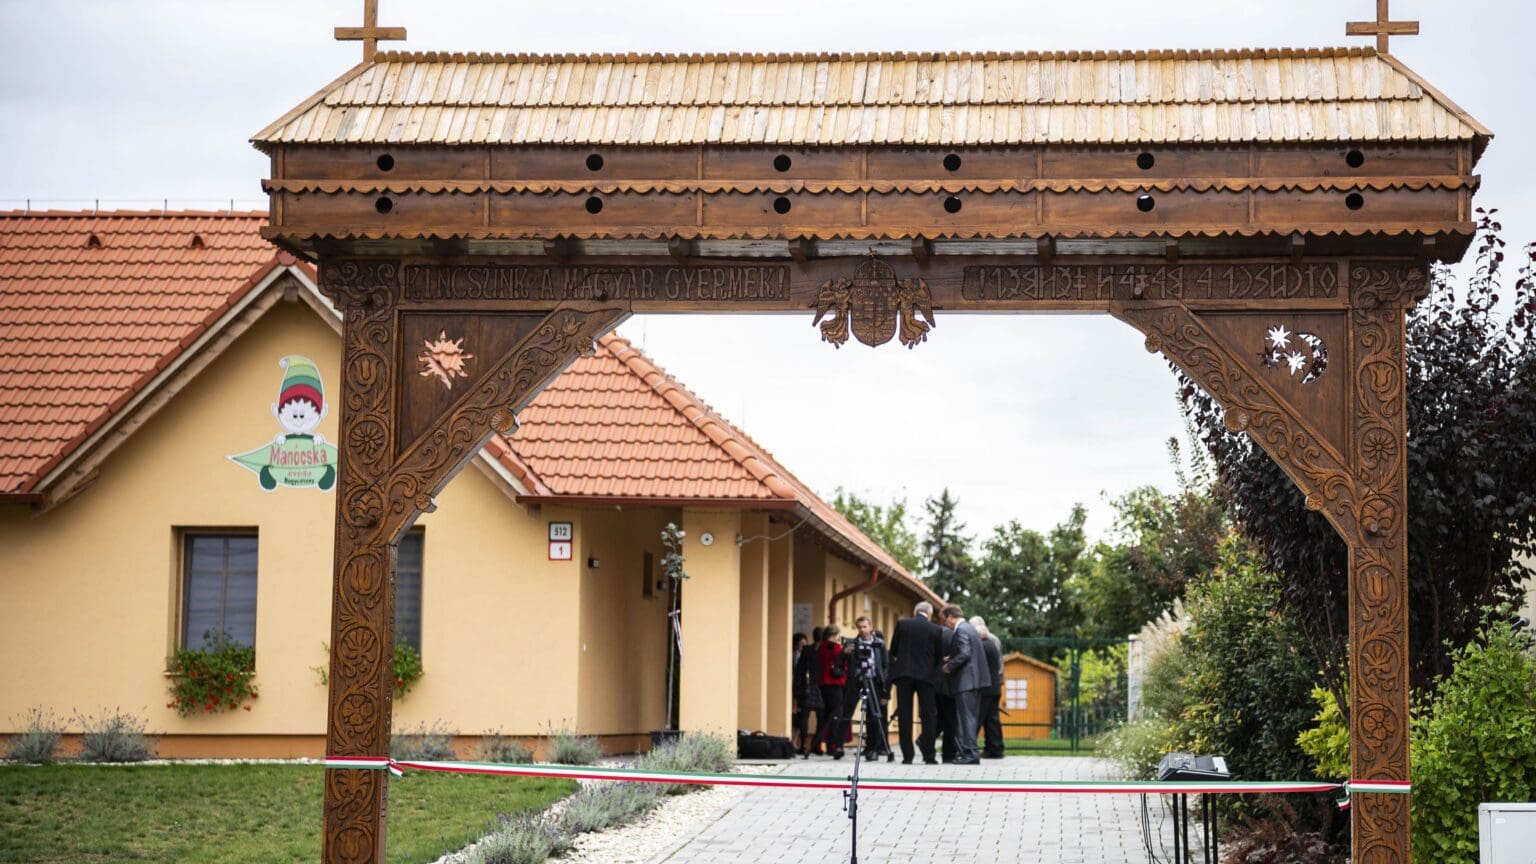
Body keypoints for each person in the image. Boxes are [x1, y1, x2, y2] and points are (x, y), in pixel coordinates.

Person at [888, 601, 944, 764]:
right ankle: (929, 755)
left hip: (904, 675)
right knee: (929, 716)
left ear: (915, 611)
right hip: (927, 677)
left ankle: (907, 756)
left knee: (905, 715)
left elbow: (894, 650)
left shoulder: (902, 624)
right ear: (929, 614)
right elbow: (939, 656)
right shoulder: (936, 629)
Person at [940, 605, 989, 765]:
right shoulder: (970, 628)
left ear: (950, 617)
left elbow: (965, 653)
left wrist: (949, 665)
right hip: (974, 680)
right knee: (970, 717)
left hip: (965, 681)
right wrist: (953, 656)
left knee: (966, 718)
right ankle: (970, 751)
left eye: (945, 619)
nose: (945, 623)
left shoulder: (961, 630)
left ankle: (970, 753)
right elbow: (968, 651)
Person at [845, 616, 892, 761]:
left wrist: (882, 681)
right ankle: (838, 746)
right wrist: (845, 653)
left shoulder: (879, 644)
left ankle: (873, 748)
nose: (862, 630)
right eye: (859, 627)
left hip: (874, 681)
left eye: (865, 627)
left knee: (873, 715)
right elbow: (842, 661)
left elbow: (885, 665)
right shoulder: (852, 644)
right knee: (846, 711)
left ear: (871, 627)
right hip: (856, 681)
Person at [973, 620, 1006, 759]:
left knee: (978, 718)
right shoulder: (992, 644)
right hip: (994, 687)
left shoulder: (982, 647)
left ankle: (968, 748)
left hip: (986, 689)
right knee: (992, 720)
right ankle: (995, 748)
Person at [815, 624, 848, 758]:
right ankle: (833, 744)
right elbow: (844, 663)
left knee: (826, 715)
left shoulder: (820, 647)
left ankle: (816, 742)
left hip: (823, 684)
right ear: (835, 635)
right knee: (836, 715)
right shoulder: (836, 647)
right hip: (835, 684)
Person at [793, 627, 825, 756]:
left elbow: (799, 671)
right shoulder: (825, 650)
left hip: (806, 687)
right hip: (822, 688)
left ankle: (804, 746)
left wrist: (797, 691)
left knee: (804, 719)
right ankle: (816, 746)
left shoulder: (807, 650)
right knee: (821, 719)